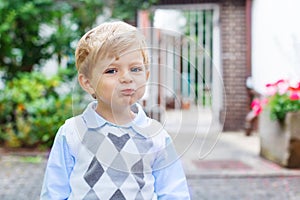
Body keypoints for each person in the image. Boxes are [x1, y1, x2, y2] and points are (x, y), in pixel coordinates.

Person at [40, 21, 190, 199]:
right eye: (112, 71)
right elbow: (54, 192)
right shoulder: (72, 133)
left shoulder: (155, 135)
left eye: (135, 69)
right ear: (88, 82)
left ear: (146, 76)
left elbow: (174, 192)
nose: (126, 78)